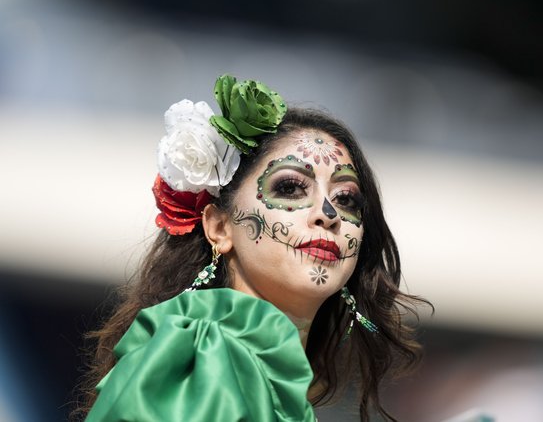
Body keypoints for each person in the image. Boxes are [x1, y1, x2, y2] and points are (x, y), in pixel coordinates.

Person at [75, 74, 429, 421]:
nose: (328, 214)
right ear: (219, 227)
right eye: (290, 188)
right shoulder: (203, 356)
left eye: (347, 199)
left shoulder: (268, 375)